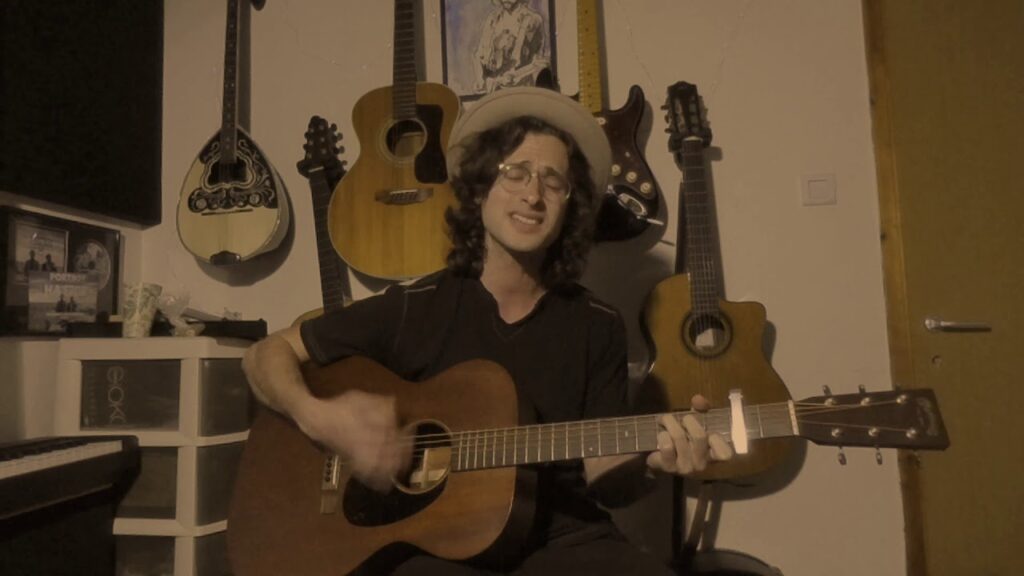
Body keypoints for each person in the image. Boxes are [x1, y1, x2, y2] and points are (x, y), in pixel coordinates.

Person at [241, 87, 732, 575]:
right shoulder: (418, 305)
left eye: (553, 181)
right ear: (479, 189)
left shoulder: (597, 324)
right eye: (515, 172)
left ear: (569, 206)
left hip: (564, 539)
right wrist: (320, 418)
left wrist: (653, 464)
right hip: (435, 545)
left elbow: (606, 477)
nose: (533, 194)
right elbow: (264, 355)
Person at [473, 0, 549, 94]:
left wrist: (516, 75)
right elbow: (479, 54)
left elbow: (539, 62)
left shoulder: (533, 20)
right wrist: (480, 79)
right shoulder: (493, 18)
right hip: (493, 92)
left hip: (522, 91)